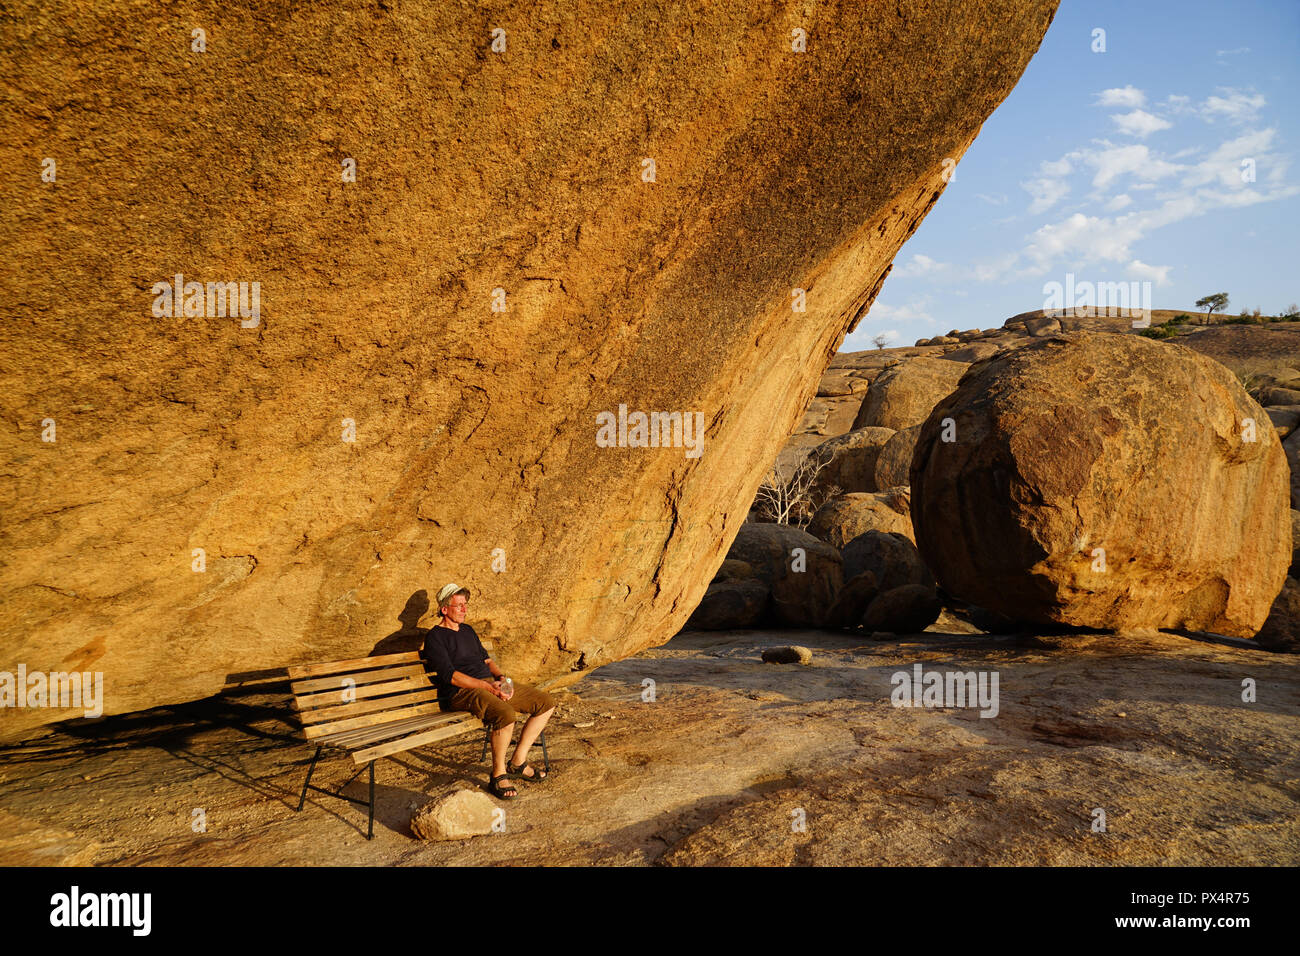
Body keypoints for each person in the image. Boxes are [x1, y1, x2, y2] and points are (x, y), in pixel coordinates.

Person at [421, 582, 556, 800]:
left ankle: (518, 762)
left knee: (545, 702)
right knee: (505, 714)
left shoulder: (467, 630)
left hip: (488, 685)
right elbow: (451, 676)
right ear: (444, 609)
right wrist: (488, 687)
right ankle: (498, 775)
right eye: (459, 606)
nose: (464, 609)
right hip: (462, 691)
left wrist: (501, 680)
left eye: (465, 605)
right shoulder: (435, 637)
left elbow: (486, 660)